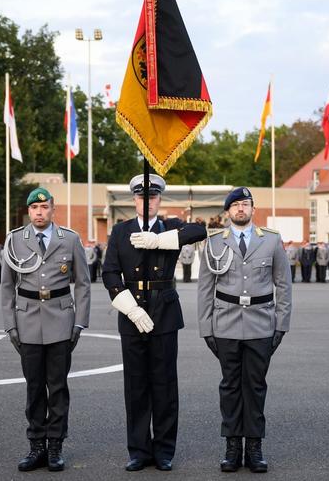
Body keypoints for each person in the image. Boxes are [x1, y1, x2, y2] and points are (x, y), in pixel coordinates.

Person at [101, 173, 207, 472]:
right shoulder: (121, 232)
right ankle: (138, 450)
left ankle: (164, 449)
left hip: (163, 310)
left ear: (159, 200)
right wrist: (131, 308)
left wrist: (160, 239)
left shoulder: (170, 226)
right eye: (141, 197)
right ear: (133, 200)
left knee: (164, 384)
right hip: (131, 309)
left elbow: (199, 232)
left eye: (153, 197)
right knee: (136, 386)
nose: (147, 202)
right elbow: (109, 273)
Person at [197, 187, 292, 473]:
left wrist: (282, 325)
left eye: (245, 204)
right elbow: (205, 288)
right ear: (227, 212)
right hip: (225, 324)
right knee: (229, 387)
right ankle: (232, 446)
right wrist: (206, 328)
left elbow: (284, 285)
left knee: (256, 386)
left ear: (253, 209)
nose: (240, 209)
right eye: (235, 205)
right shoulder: (214, 242)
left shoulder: (271, 241)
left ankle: (254, 446)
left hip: (261, 325)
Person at [1, 187, 90, 472]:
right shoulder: (15, 240)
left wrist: (79, 322)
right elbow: (6, 287)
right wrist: (10, 325)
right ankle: (36, 445)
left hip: (62, 321)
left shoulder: (70, 239)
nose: (39, 213)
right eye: (34, 208)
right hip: (26, 322)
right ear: (28, 211)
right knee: (35, 387)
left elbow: (83, 284)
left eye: (45, 208)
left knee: (58, 387)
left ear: (53, 209)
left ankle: (55, 447)